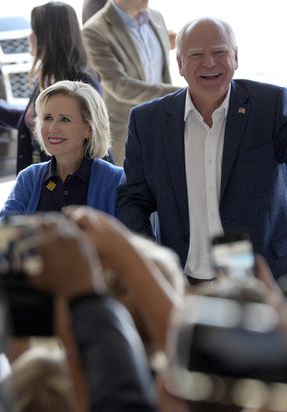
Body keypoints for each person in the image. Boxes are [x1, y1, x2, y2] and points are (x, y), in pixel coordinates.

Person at [116, 17, 287, 281]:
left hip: (258, 277)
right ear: (180, 64)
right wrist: (152, 260)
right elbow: (132, 201)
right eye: (196, 55)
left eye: (220, 52)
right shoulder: (148, 121)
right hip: (183, 277)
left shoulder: (271, 106)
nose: (209, 63)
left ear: (236, 58)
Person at [0, 1, 101, 174]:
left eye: (34, 30)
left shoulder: (82, 84)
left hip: (66, 188)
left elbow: (95, 141)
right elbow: (31, 122)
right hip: (40, 181)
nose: (29, 36)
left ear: (49, 36)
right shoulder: (47, 78)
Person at [0, 80, 123, 220]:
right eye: (48, 118)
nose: (52, 128)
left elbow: (133, 239)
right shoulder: (29, 178)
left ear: (89, 129)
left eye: (64, 119)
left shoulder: (118, 180)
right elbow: (4, 233)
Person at [82, 0, 177, 164]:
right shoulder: (95, 29)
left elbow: (159, 72)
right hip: (127, 133)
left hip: (163, 126)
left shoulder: (156, 18)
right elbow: (119, 85)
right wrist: (177, 93)